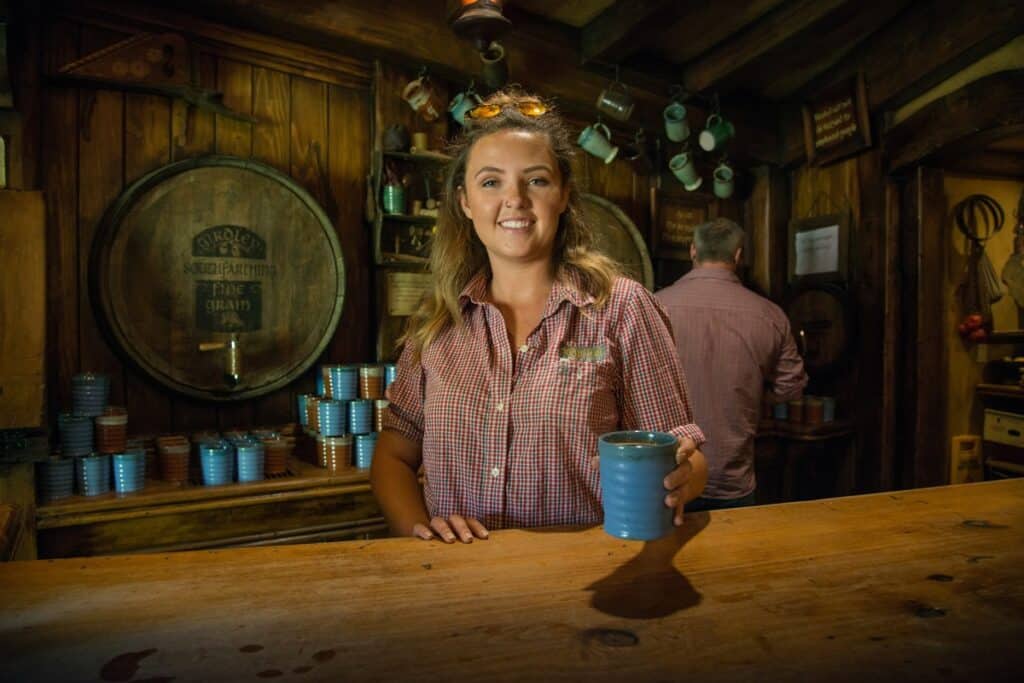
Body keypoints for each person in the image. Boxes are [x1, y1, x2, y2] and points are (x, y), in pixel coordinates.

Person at [370, 89, 707, 543]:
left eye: (537, 180)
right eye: (491, 182)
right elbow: (393, 454)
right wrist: (420, 531)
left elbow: (686, 456)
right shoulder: (439, 322)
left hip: (583, 581)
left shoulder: (621, 308)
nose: (515, 200)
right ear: (465, 202)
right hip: (460, 587)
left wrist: (688, 474)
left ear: (564, 195)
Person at [655, 218, 807, 511]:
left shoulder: (654, 305)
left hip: (667, 475)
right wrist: (750, 394)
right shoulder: (770, 314)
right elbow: (791, 388)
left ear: (692, 251)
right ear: (738, 255)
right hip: (732, 478)